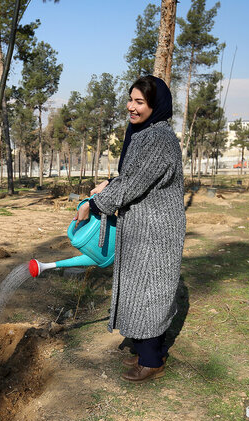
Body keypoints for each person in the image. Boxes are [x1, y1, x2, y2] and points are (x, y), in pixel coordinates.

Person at [73, 75, 185, 383]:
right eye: (130, 100)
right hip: (142, 224)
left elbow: (135, 183)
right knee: (141, 290)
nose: (131, 107)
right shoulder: (144, 132)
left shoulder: (158, 139)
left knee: (150, 291)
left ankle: (151, 361)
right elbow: (133, 176)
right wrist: (110, 185)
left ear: (155, 105)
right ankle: (146, 350)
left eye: (139, 102)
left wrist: (95, 204)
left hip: (155, 228)